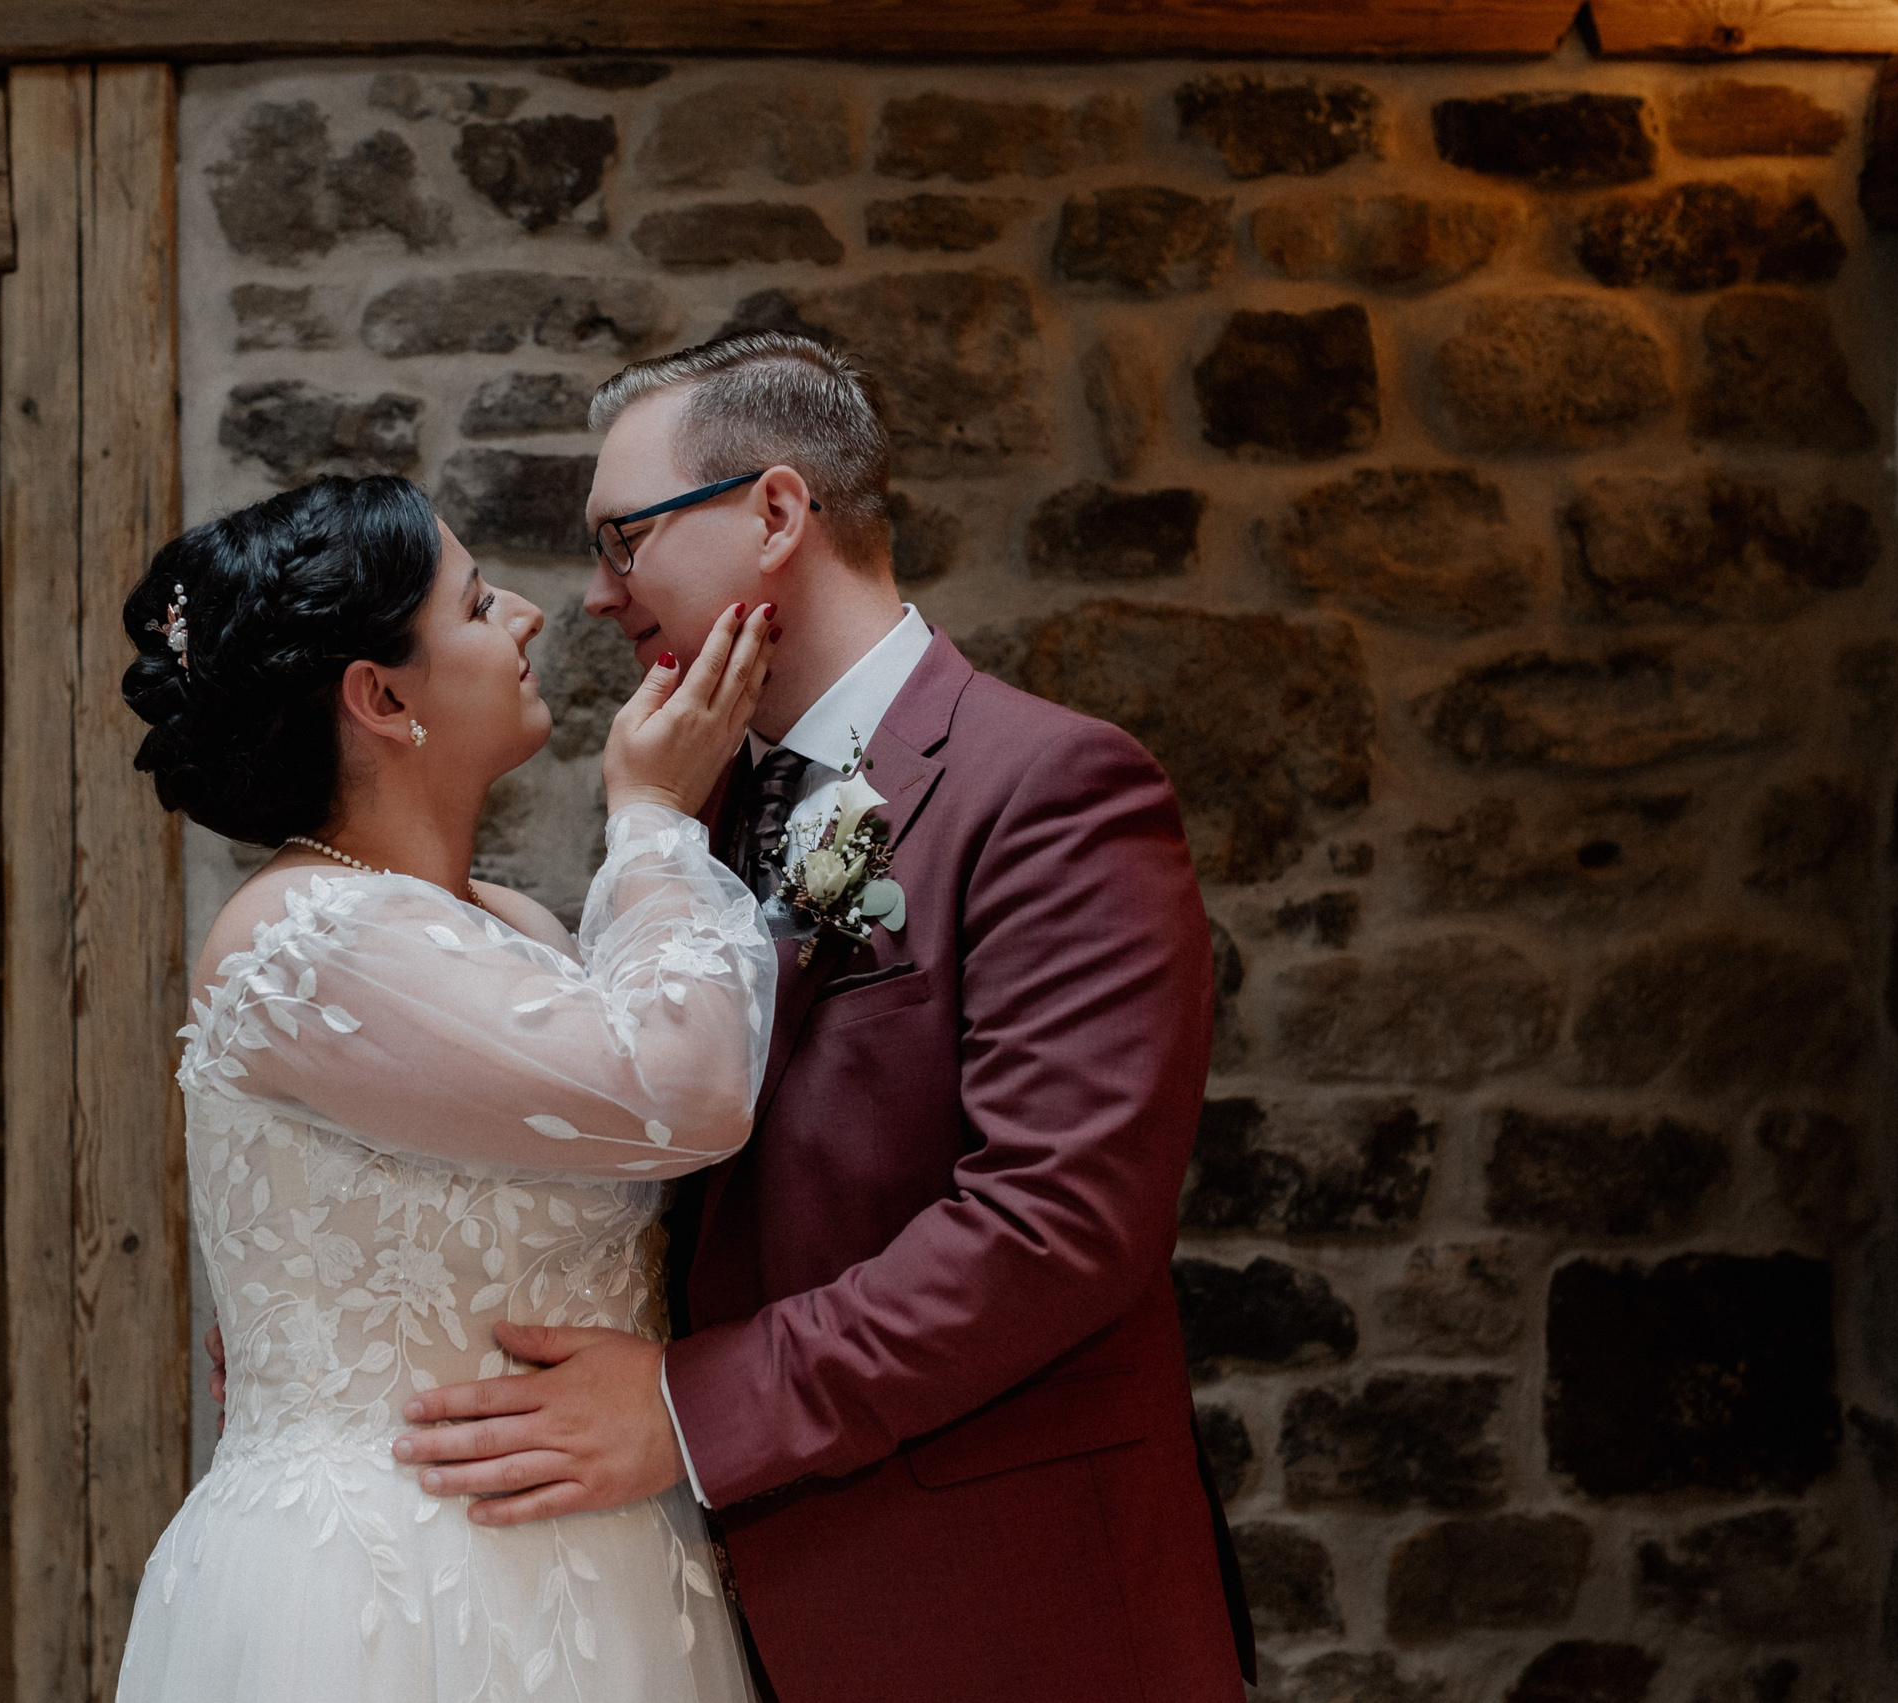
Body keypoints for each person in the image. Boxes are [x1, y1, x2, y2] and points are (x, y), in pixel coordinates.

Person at [384, 335, 1255, 1702]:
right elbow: (640, 1137)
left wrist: (686, 1405)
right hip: (726, 1610)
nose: (600, 598)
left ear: (777, 513)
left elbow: (1057, 1225)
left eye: (625, 541)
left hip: (999, 1603)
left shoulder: (1053, 787)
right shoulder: (697, 810)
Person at [113, 472, 782, 1703]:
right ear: (380, 696)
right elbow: (684, 1089)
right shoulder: (308, 934)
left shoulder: (506, 921)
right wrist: (649, 816)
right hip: (397, 1582)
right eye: (477, 604)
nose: (527, 615)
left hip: (603, 1555)